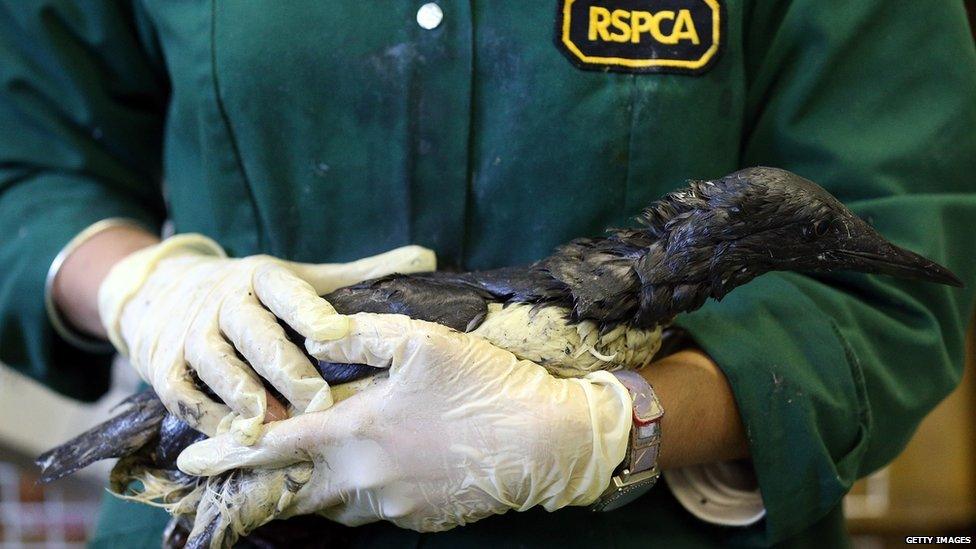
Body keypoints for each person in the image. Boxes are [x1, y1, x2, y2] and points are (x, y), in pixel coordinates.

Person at [1, 1, 974, 546]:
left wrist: (615, 426)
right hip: (224, 503)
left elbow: (888, 283)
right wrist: (146, 291)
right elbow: (25, 161)